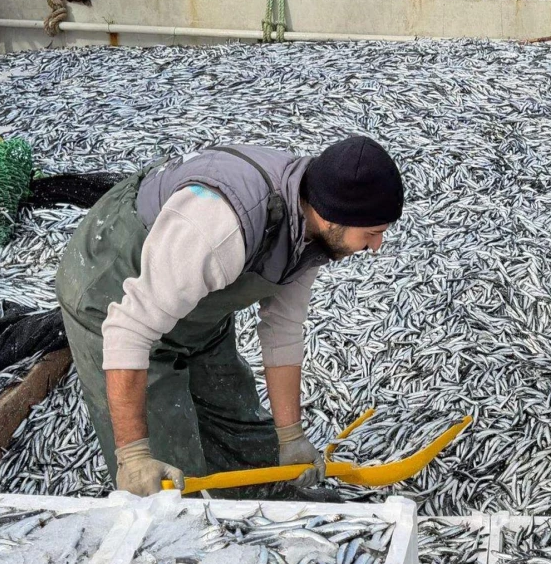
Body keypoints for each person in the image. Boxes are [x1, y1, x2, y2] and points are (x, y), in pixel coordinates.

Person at [56, 137, 404, 497]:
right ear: (334, 216)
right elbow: (127, 332)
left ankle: (264, 515)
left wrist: (291, 437)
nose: (376, 247)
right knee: (170, 480)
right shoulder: (219, 227)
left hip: (196, 309)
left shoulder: (312, 224)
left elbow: (282, 329)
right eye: (373, 233)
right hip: (114, 294)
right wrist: (133, 454)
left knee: (242, 433)